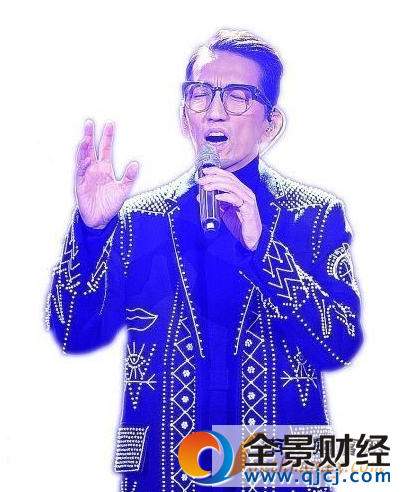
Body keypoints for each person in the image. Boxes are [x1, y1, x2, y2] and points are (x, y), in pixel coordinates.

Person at [46, 29, 363, 491]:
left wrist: (263, 251)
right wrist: (92, 232)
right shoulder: (140, 219)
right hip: (163, 470)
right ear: (184, 114)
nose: (215, 111)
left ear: (271, 123)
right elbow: (73, 335)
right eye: (201, 94)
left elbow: (342, 345)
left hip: (279, 470)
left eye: (237, 96)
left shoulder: (312, 216)